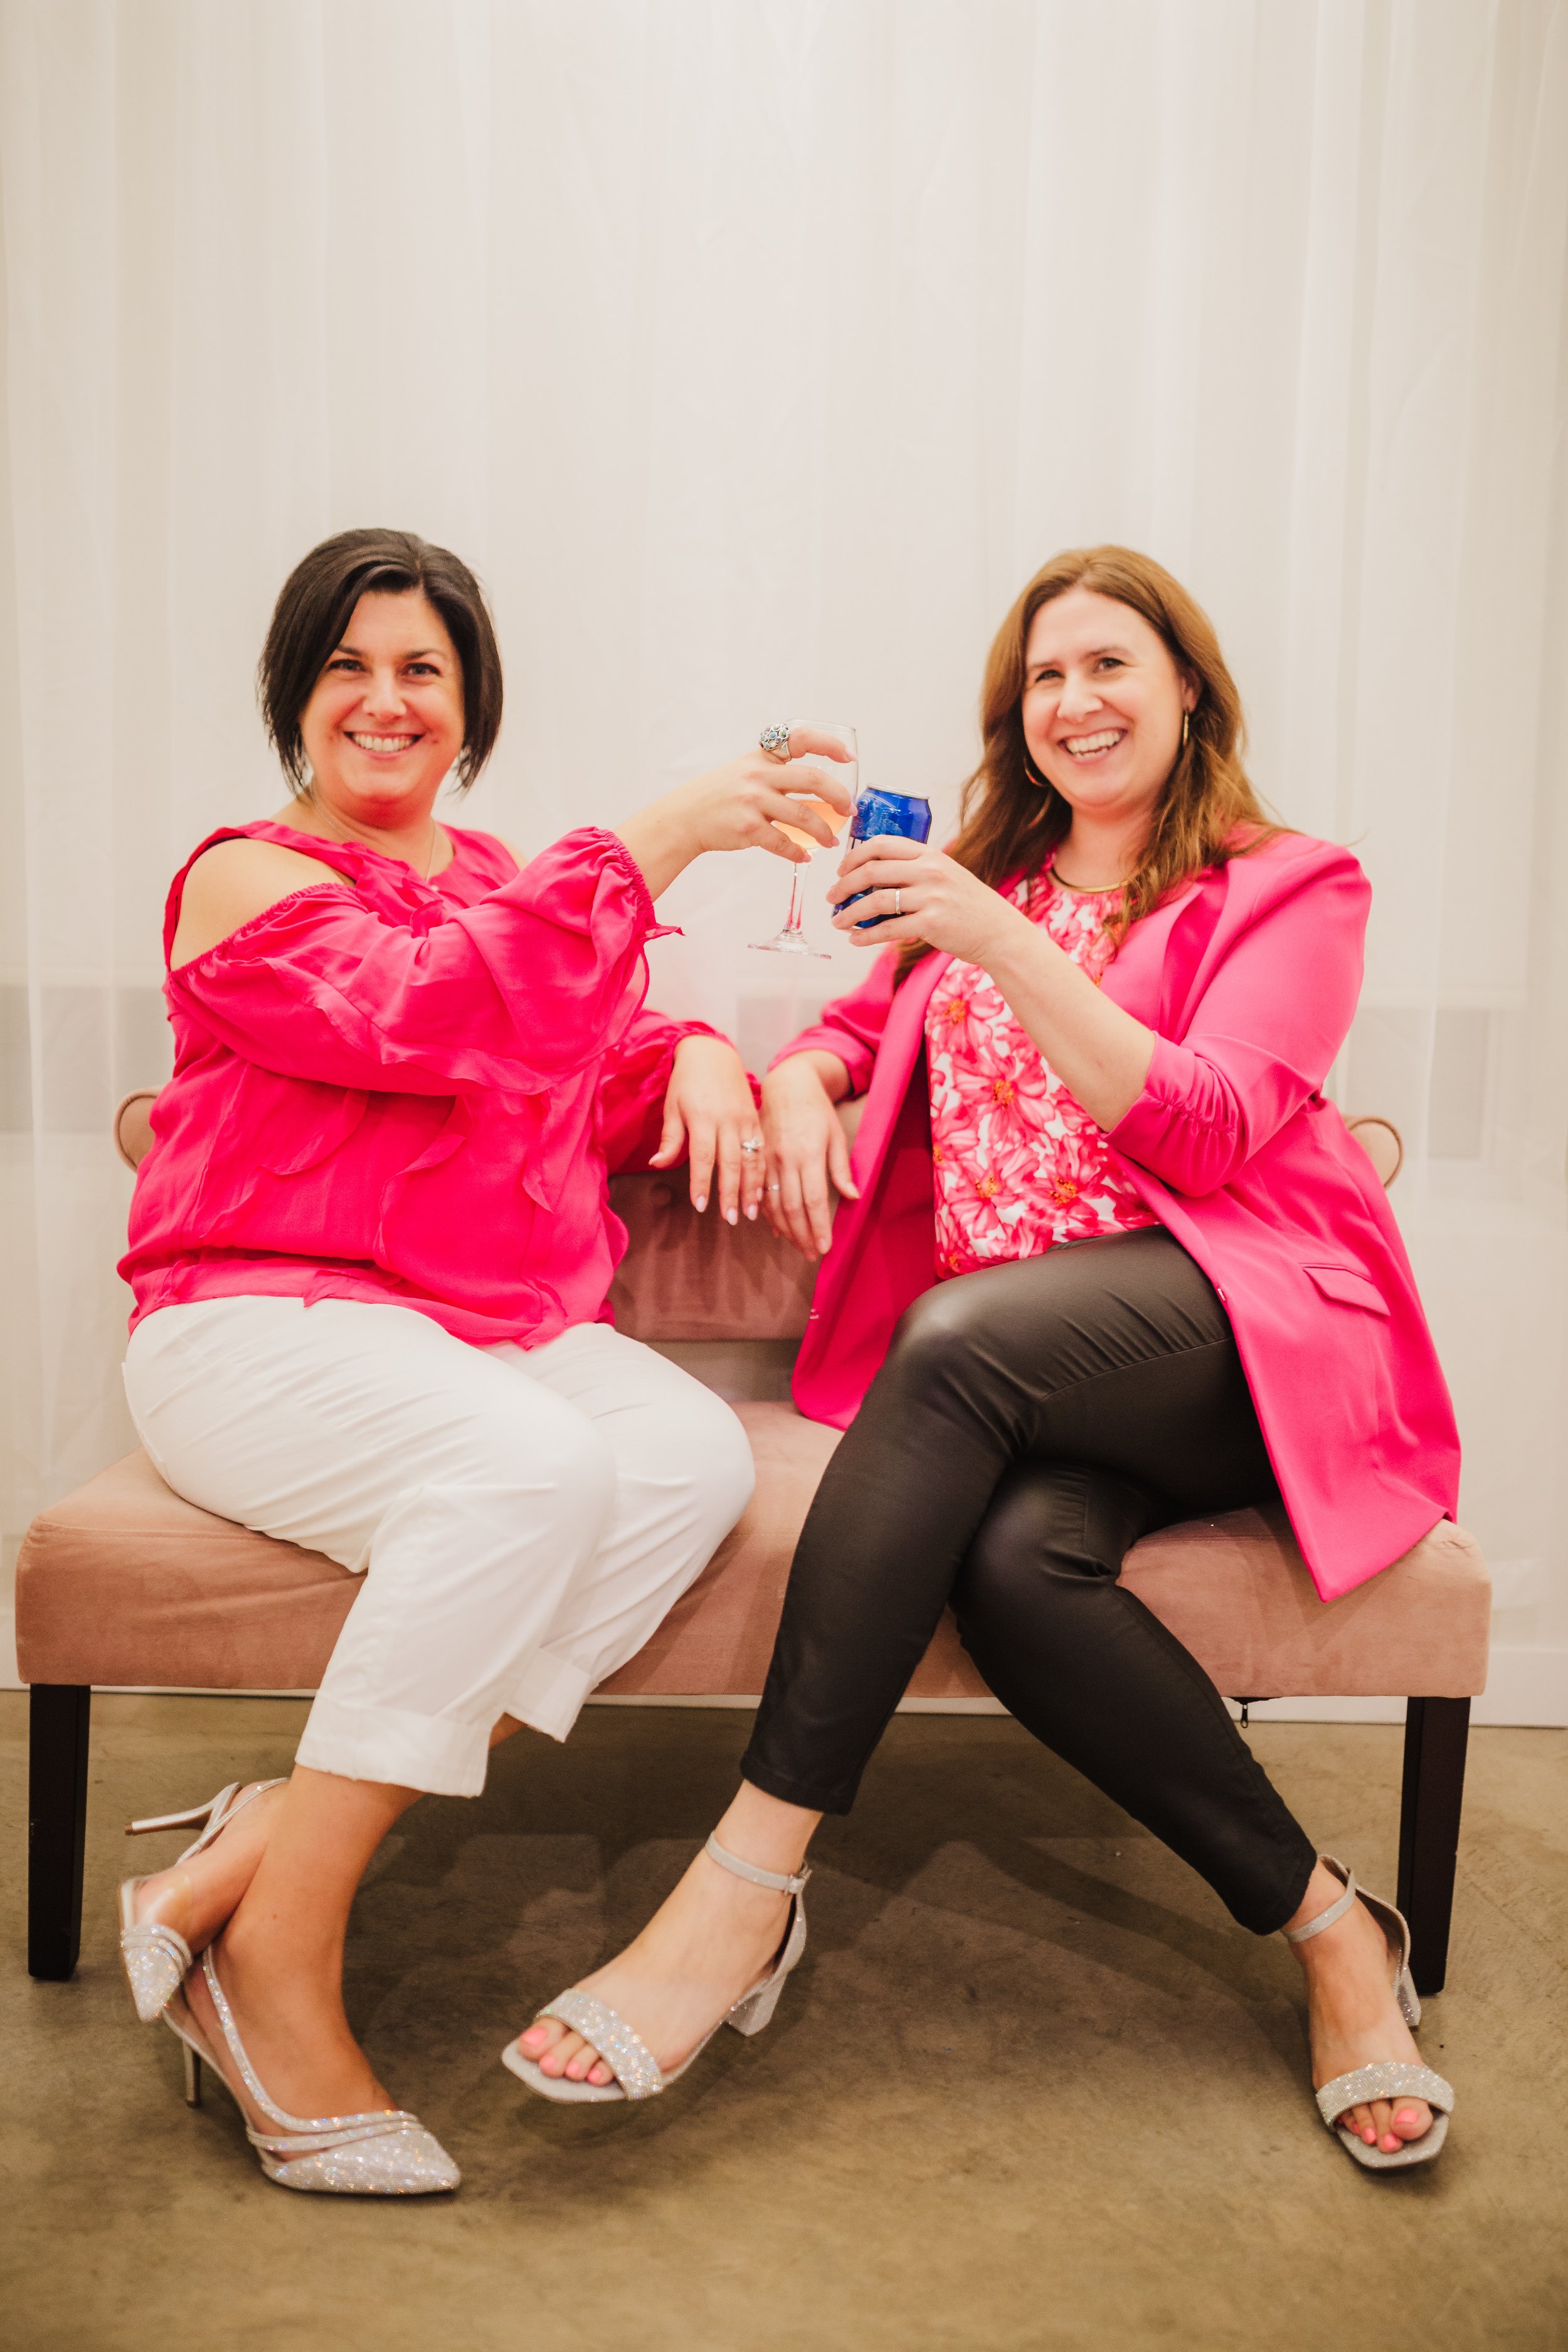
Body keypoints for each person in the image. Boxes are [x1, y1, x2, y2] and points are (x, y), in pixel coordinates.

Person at [511, 544, 1461, 2175]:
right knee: (1022, 1571)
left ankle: (744, 1888)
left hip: (1236, 1335)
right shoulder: (990, 890)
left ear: (1185, 689)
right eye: (1042, 679)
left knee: (947, 1345)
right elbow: (857, 1033)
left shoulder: (1288, 885)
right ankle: (1330, 1931)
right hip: (1053, 1385)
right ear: (1011, 720)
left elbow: (1209, 1123)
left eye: (1108, 666)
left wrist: (997, 941)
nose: (1074, 702)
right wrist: (803, 1079)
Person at [115, 527, 852, 2195]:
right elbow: (445, 1012)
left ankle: (261, 1846)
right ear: (295, 701)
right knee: (537, 1468)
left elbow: (583, 1062)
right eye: (348, 669)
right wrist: (660, 835)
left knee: (686, 1464)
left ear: (470, 706)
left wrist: (705, 1068)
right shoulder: (245, 876)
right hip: (255, 1320)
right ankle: (270, 1970)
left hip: (476, 1332)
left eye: (422, 671)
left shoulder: (500, 881)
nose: (385, 703)